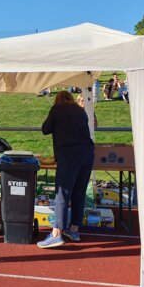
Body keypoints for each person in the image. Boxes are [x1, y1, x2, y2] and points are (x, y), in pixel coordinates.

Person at [37, 91, 94, 248]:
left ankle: (56, 233)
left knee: (62, 193)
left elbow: (45, 129)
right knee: (79, 192)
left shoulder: (57, 108)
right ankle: (74, 230)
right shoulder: (80, 111)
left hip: (69, 155)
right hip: (87, 154)